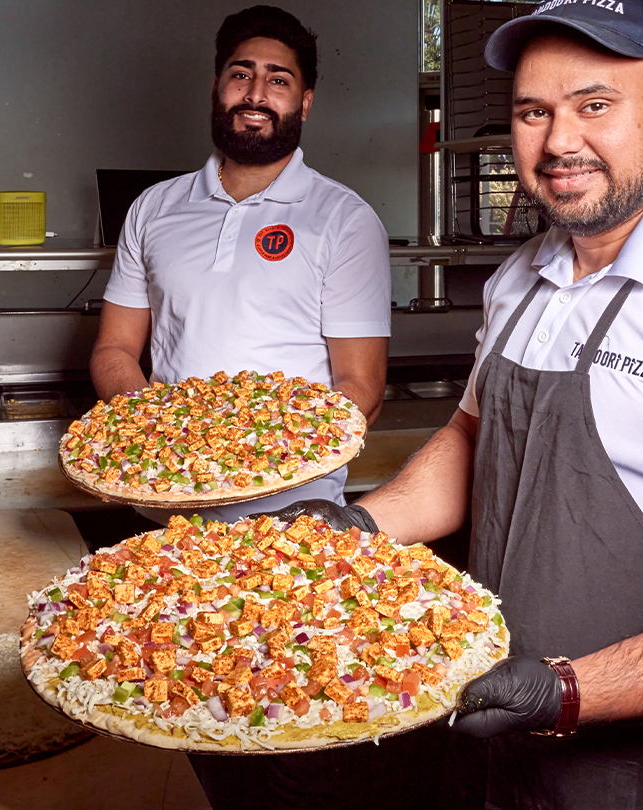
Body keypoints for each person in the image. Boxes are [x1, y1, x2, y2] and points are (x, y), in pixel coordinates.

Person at [270, 1, 643, 808]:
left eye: (595, 105)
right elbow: (471, 437)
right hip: (500, 746)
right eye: (534, 112)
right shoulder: (521, 278)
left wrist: (567, 693)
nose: (559, 142)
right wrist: (364, 527)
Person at [89, 4, 390, 532]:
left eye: (279, 80)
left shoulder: (345, 219)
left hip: (294, 517)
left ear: (305, 102)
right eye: (241, 74)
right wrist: (163, 429)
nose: (256, 94)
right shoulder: (153, 208)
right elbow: (114, 348)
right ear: (216, 87)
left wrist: (253, 454)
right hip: (163, 503)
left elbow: (360, 384)